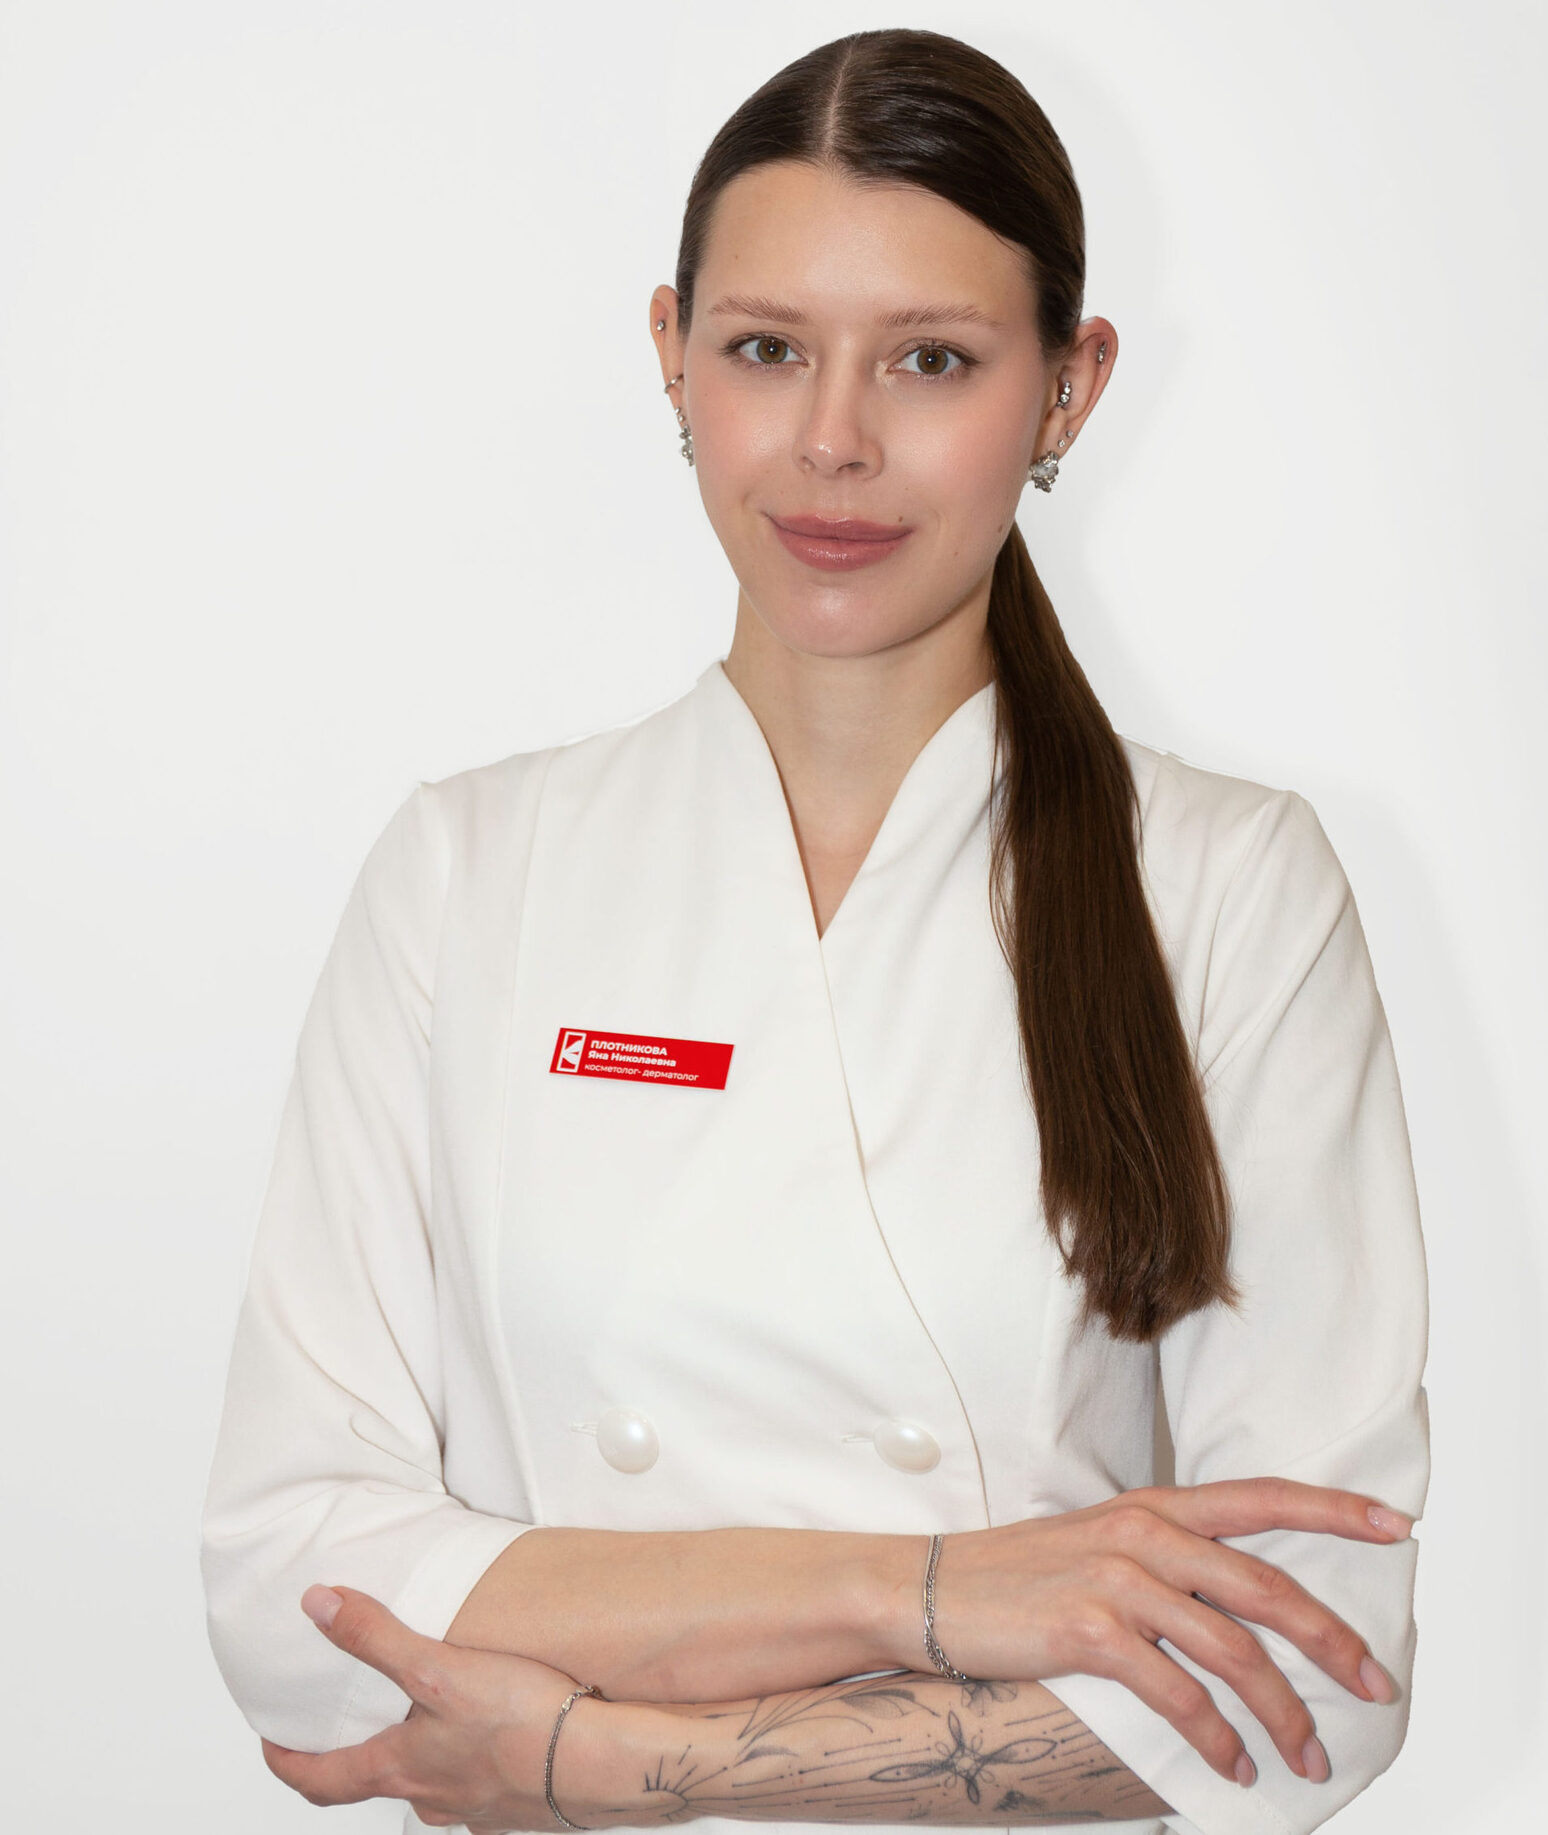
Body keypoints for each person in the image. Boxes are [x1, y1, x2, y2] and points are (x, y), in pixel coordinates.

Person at [200, 27, 1430, 1835]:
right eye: (767, 350)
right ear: (672, 356)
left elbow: (1311, 1673)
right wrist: (928, 1592)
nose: (835, 441)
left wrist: (618, 1759)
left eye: (932, 359)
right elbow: (290, 1588)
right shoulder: (472, 870)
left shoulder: (1230, 889)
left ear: (1070, 389)